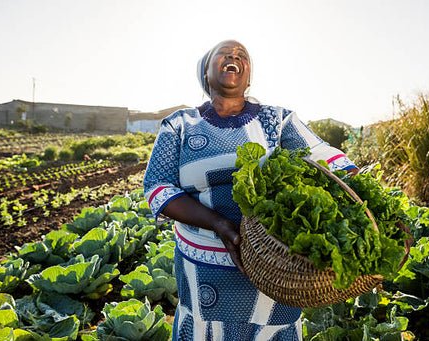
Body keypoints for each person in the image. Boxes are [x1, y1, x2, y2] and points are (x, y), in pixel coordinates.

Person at [143, 40, 358, 341]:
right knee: (206, 330)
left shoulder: (277, 120)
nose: (234, 57)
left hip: (273, 265)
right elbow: (157, 187)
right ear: (205, 72)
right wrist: (219, 224)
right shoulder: (180, 124)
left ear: (248, 77)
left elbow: (322, 155)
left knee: (272, 327)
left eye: (242, 56)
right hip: (204, 267)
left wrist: (356, 182)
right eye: (224, 54)